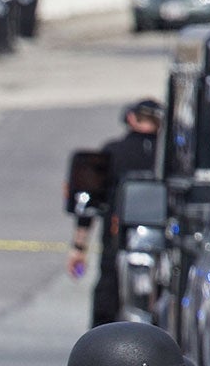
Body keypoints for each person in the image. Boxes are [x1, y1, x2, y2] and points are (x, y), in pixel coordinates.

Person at [69, 101, 161, 327]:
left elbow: (89, 201)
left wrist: (79, 248)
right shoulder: (169, 157)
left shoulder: (114, 152)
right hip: (162, 244)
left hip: (117, 242)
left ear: (131, 119)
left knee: (107, 303)